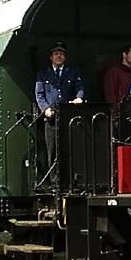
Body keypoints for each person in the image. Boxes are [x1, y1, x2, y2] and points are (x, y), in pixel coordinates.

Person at [34, 42, 85, 179]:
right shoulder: (43, 74)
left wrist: (79, 98)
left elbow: (79, 87)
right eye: (56, 54)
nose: (59, 56)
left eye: (61, 54)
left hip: (68, 117)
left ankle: (72, 178)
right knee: (52, 150)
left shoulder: (72, 73)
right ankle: (54, 180)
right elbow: (39, 94)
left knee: (70, 148)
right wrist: (45, 109)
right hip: (51, 118)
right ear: (51, 57)